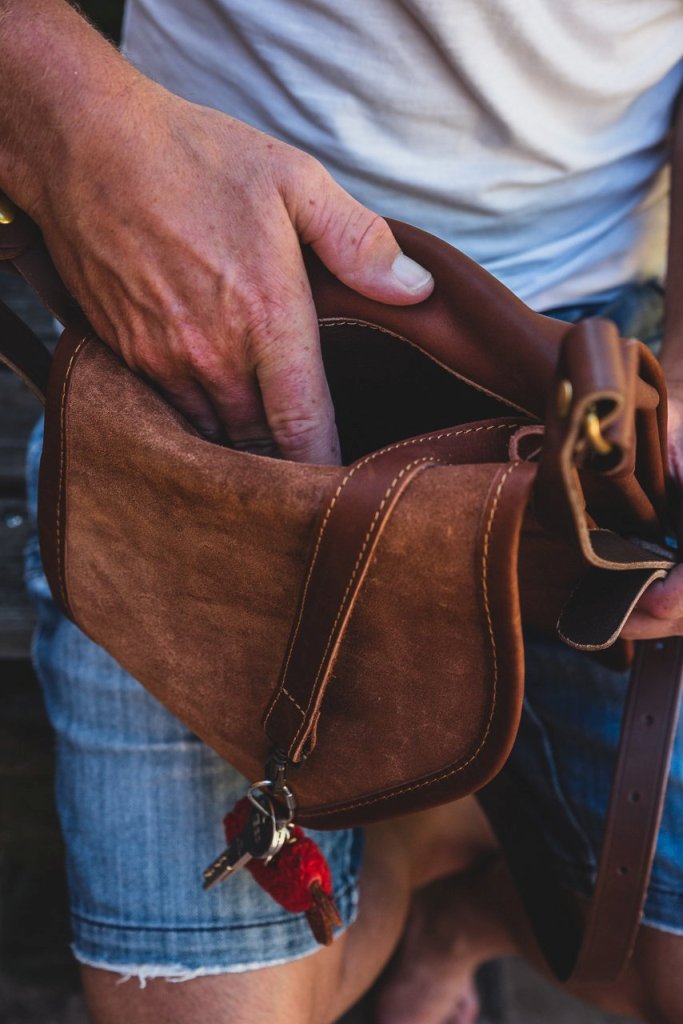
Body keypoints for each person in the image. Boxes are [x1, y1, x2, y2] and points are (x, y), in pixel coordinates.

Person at [4, 1, 683, 1021]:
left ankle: (453, 861)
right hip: (186, 325)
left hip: (578, 361)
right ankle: (425, 818)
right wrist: (82, 135)